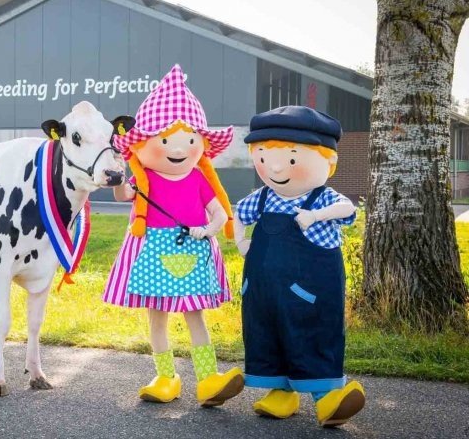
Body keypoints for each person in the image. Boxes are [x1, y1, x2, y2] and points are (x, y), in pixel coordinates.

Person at [103, 64, 244, 406]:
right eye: (165, 140)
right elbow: (124, 197)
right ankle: (166, 377)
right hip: (152, 248)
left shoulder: (197, 178)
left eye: (190, 140)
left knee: (195, 314)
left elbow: (220, 214)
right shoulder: (144, 178)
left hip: (193, 250)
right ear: (144, 144)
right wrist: (121, 176)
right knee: (157, 316)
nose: (179, 149)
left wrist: (207, 231)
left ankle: (208, 378)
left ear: (200, 144)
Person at [234, 105, 365, 427]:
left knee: (312, 333)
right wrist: (240, 242)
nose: (275, 168)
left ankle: (327, 399)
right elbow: (238, 214)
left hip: (311, 292)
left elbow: (347, 208)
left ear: (328, 162)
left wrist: (316, 216)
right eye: (263, 157)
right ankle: (280, 392)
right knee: (266, 334)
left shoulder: (321, 198)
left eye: (291, 158)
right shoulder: (262, 197)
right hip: (264, 291)